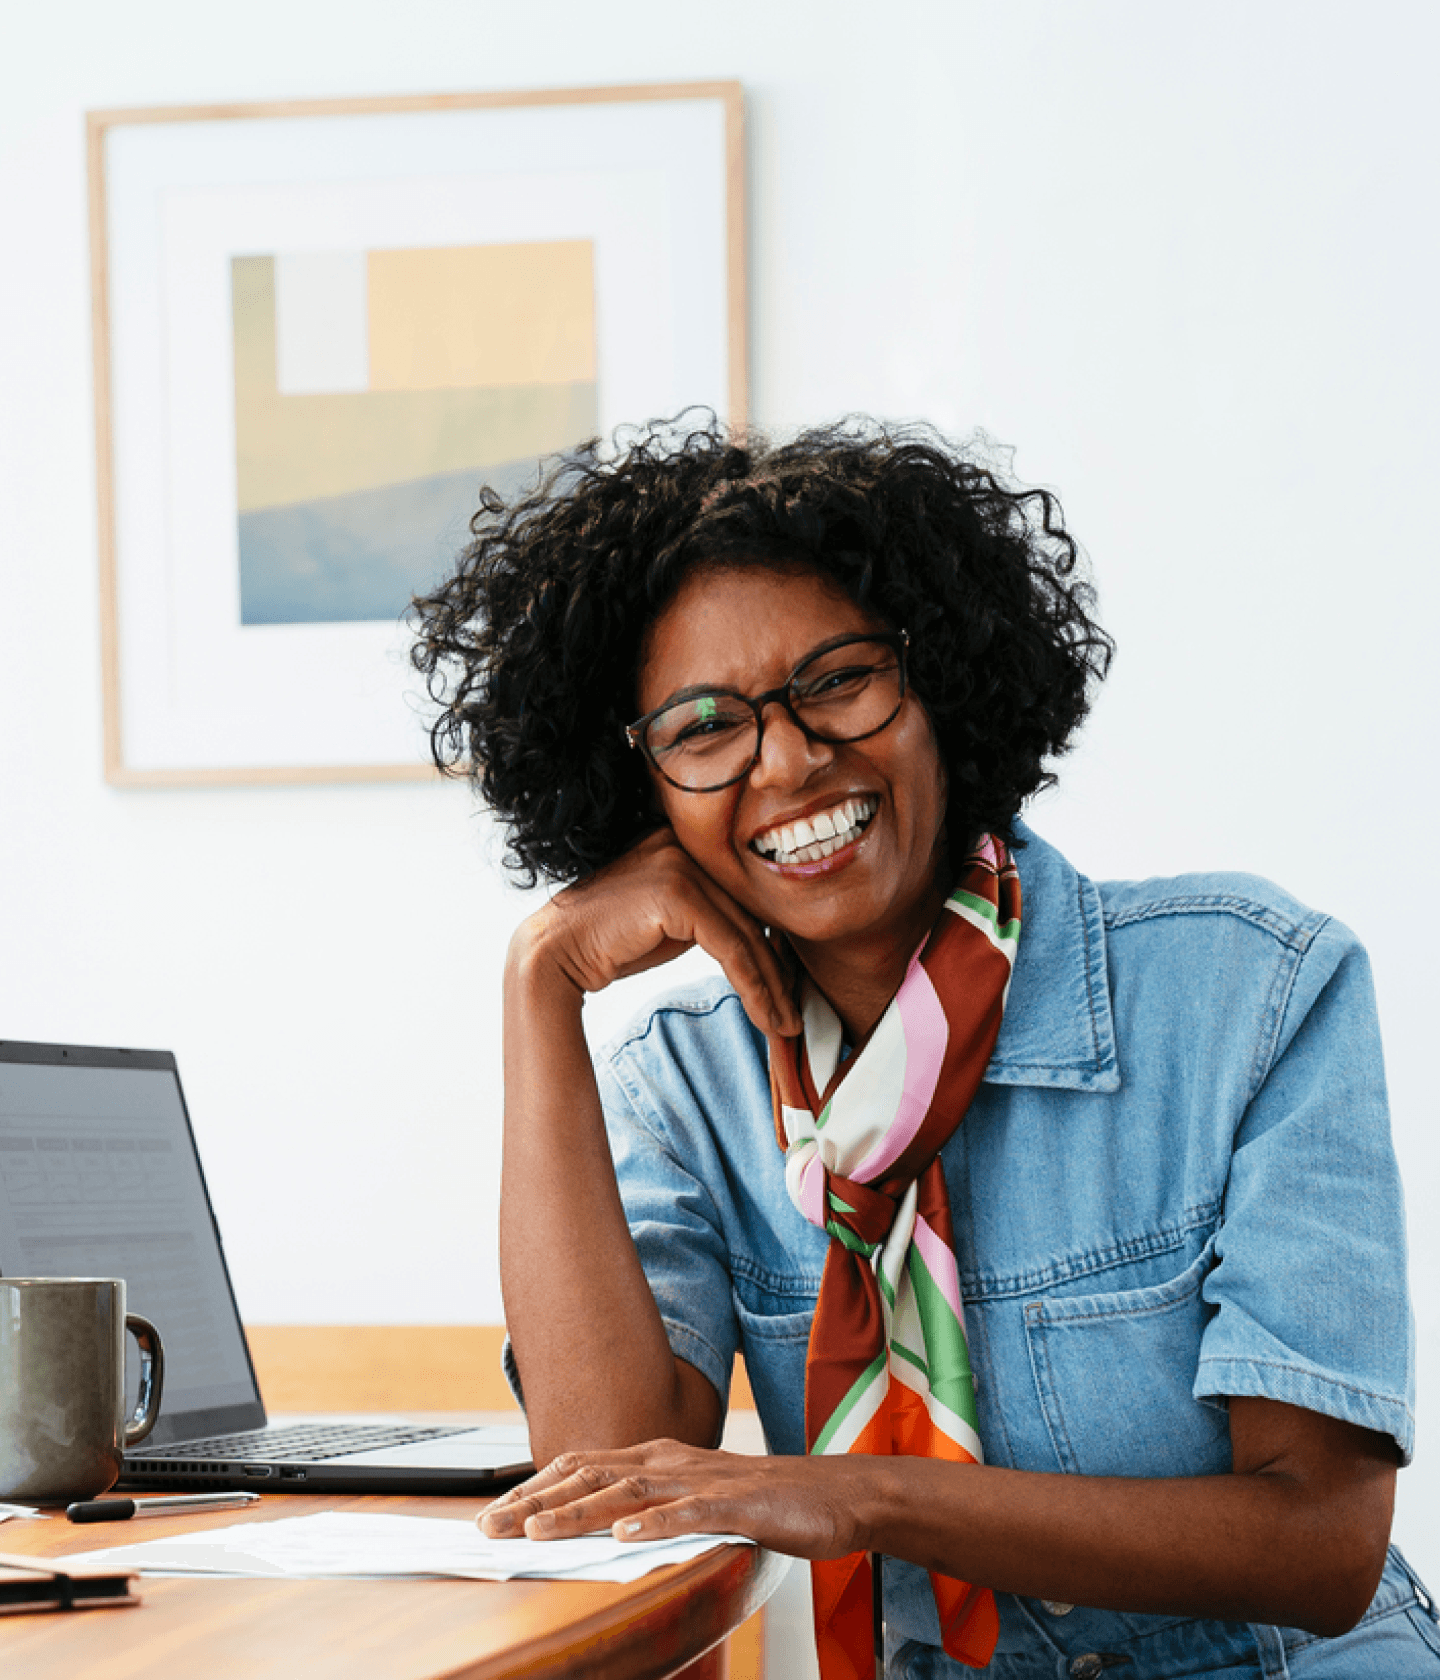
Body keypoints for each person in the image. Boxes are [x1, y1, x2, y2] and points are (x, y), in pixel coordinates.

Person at [410, 417, 1436, 1679]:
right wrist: (541, 983)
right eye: (703, 729)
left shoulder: (1255, 989)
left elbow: (1319, 1545)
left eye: (839, 679)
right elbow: (608, 1483)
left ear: (941, 678)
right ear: (645, 797)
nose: (787, 761)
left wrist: (862, 1498)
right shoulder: (680, 1085)